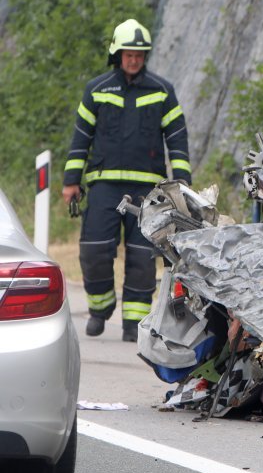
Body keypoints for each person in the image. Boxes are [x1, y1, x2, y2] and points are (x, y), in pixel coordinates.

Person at [61, 19, 191, 342]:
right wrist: (71, 180)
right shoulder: (97, 90)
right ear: (117, 54)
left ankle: (133, 321)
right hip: (104, 185)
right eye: (128, 54)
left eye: (140, 54)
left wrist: (182, 183)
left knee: (142, 255)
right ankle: (99, 308)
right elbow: (80, 139)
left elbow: (177, 138)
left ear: (145, 56)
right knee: (94, 249)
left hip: (146, 189)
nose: (134, 60)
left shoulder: (162, 91)